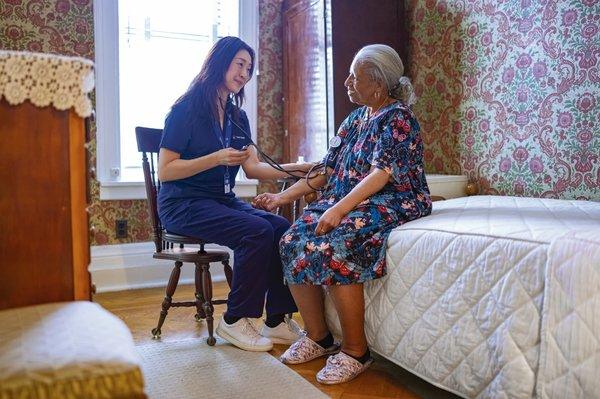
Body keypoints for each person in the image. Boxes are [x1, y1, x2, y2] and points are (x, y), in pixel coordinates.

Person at [253, 44, 432, 383]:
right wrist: (280, 199)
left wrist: (337, 209)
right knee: (292, 238)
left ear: (378, 84)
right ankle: (319, 337)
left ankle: (355, 351)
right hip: (346, 199)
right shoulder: (353, 120)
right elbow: (324, 172)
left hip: (391, 199)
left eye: (355, 76)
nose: (347, 81)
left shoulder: (398, 119)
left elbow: (381, 175)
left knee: (338, 241)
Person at [157, 36, 311, 352]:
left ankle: (277, 320)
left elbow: (254, 168)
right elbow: (166, 170)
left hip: (219, 201)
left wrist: (301, 169)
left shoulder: (237, 117)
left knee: (280, 228)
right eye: (239, 64)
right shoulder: (185, 109)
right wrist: (216, 158)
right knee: (255, 232)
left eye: (249, 68)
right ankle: (235, 321)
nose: (244, 73)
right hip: (182, 203)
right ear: (220, 62)